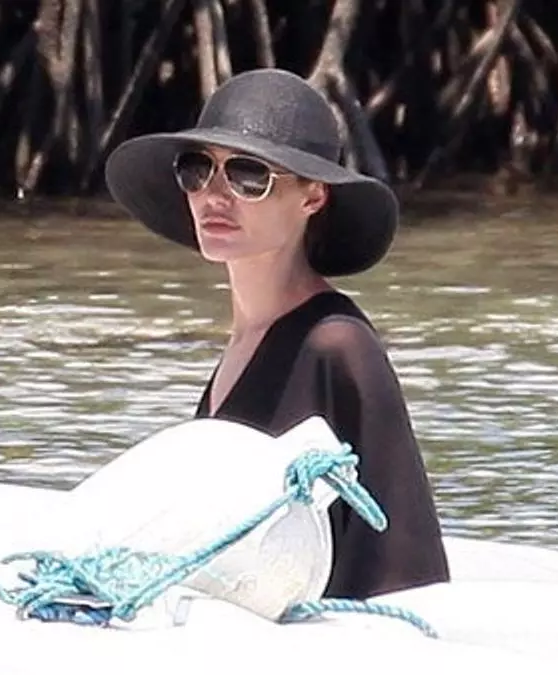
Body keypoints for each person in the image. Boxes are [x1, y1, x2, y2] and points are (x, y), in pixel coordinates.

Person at [103, 68, 450, 599]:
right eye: (198, 169)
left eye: (249, 176)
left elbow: (407, 562)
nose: (215, 195)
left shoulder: (338, 345)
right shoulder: (244, 342)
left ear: (313, 198)